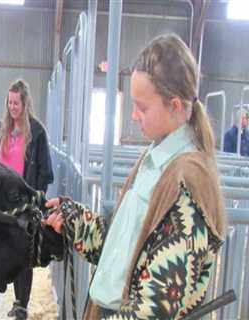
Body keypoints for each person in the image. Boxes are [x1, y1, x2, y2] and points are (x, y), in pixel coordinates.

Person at [44, 34, 227, 319]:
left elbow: (154, 310)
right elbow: (121, 251)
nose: (133, 116)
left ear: (175, 105)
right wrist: (76, 221)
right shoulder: (152, 160)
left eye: (142, 107)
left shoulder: (189, 184)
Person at [0, 79, 54, 320]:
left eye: (16, 103)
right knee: (3, 250)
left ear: (25, 103)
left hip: (24, 203)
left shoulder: (37, 132)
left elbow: (45, 172)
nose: (12, 107)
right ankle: (3, 294)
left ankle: (21, 304)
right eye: (9, 102)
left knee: (23, 253)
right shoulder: (3, 128)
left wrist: (35, 198)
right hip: (2, 203)